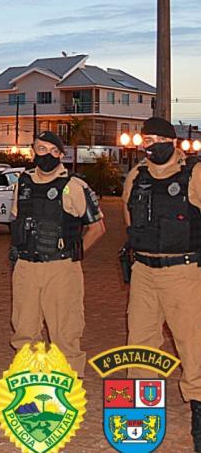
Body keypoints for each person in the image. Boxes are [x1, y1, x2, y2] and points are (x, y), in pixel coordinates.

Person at [121, 116, 201, 451]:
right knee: (139, 343)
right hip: (144, 273)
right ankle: (141, 421)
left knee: (192, 345)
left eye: (156, 138)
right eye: (145, 140)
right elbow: (128, 219)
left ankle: (198, 417)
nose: (150, 145)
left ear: (173, 141)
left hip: (182, 271)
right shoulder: (136, 176)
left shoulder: (194, 174)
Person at [8, 131, 104, 375]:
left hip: (61, 269)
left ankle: (67, 394)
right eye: (41, 149)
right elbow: (16, 219)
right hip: (27, 266)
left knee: (65, 333)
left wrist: (75, 252)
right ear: (33, 151)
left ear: (61, 154)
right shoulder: (24, 183)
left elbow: (97, 228)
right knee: (25, 331)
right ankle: (29, 388)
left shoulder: (73, 186)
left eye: (53, 150)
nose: (47, 155)